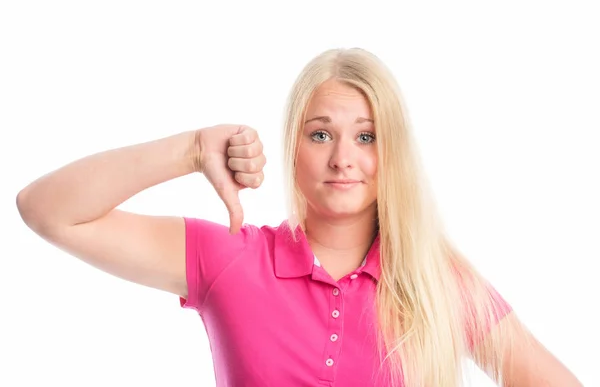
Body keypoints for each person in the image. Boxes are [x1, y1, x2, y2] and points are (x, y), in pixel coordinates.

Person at [16, 47, 582, 387]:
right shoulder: (230, 257)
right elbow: (48, 210)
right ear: (292, 145)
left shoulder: (438, 283)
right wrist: (189, 150)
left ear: (393, 152)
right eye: (320, 134)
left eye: (366, 136)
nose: (343, 158)